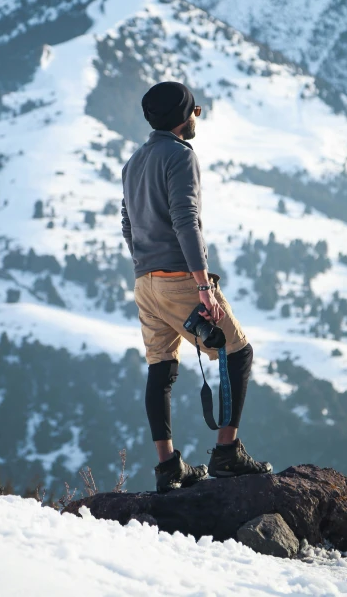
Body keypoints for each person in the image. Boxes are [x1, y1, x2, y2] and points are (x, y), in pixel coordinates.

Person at [121, 81, 272, 492]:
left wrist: (146, 267)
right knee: (237, 353)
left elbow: (127, 226)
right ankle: (226, 452)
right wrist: (202, 285)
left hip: (144, 283)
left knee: (161, 368)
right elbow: (186, 220)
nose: (196, 117)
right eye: (195, 111)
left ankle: (168, 467)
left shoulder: (133, 162)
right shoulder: (180, 156)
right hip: (179, 280)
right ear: (182, 118)